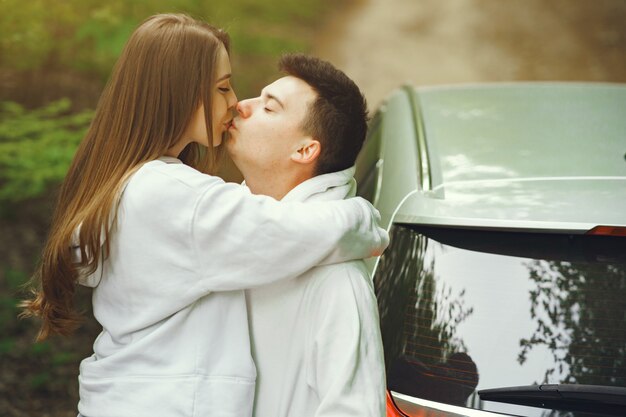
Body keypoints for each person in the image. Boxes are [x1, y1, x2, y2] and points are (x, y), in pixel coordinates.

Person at [19, 14, 388, 417]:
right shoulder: (175, 198)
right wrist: (362, 217)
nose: (236, 104)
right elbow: (288, 231)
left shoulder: (147, 188)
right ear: (180, 92)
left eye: (266, 105)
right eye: (223, 87)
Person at [226, 54, 386, 417]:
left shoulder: (337, 280)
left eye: (269, 108)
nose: (241, 106)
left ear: (305, 149)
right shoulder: (227, 228)